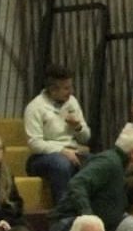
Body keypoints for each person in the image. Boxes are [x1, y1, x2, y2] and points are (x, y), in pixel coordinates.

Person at [49, 127, 133, 231]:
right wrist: (89, 218)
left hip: (102, 224)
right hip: (67, 222)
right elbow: (77, 184)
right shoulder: (108, 162)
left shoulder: (121, 166)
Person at [24, 65, 92, 207]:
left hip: (73, 151)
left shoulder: (72, 101)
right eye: (66, 88)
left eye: (70, 87)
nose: (71, 92)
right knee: (61, 164)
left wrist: (77, 127)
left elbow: (86, 138)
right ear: (53, 89)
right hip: (42, 157)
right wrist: (63, 151)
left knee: (99, 162)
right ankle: (63, 212)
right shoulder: (35, 107)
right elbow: (35, 143)